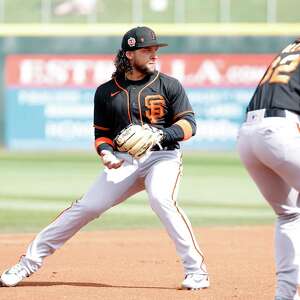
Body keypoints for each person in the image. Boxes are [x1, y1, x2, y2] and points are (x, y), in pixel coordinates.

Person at [0, 26, 209, 290]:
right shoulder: (106, 91)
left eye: (156, 49)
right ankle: (27, 263)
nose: (155, 54)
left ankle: (196, 272)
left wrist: (161, 135)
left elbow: (189, 125)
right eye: (148, 50)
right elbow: (101, 134)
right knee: (87, 207)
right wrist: (106, 153)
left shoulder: (169, 84)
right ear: (130, 54)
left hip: (162, 157)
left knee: (161, 199)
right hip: (124, 161)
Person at [237, 38, 300, 300]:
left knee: (289, 214)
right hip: (280, 132)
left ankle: (284, 296)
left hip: (249, 136)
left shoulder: (291, 48)